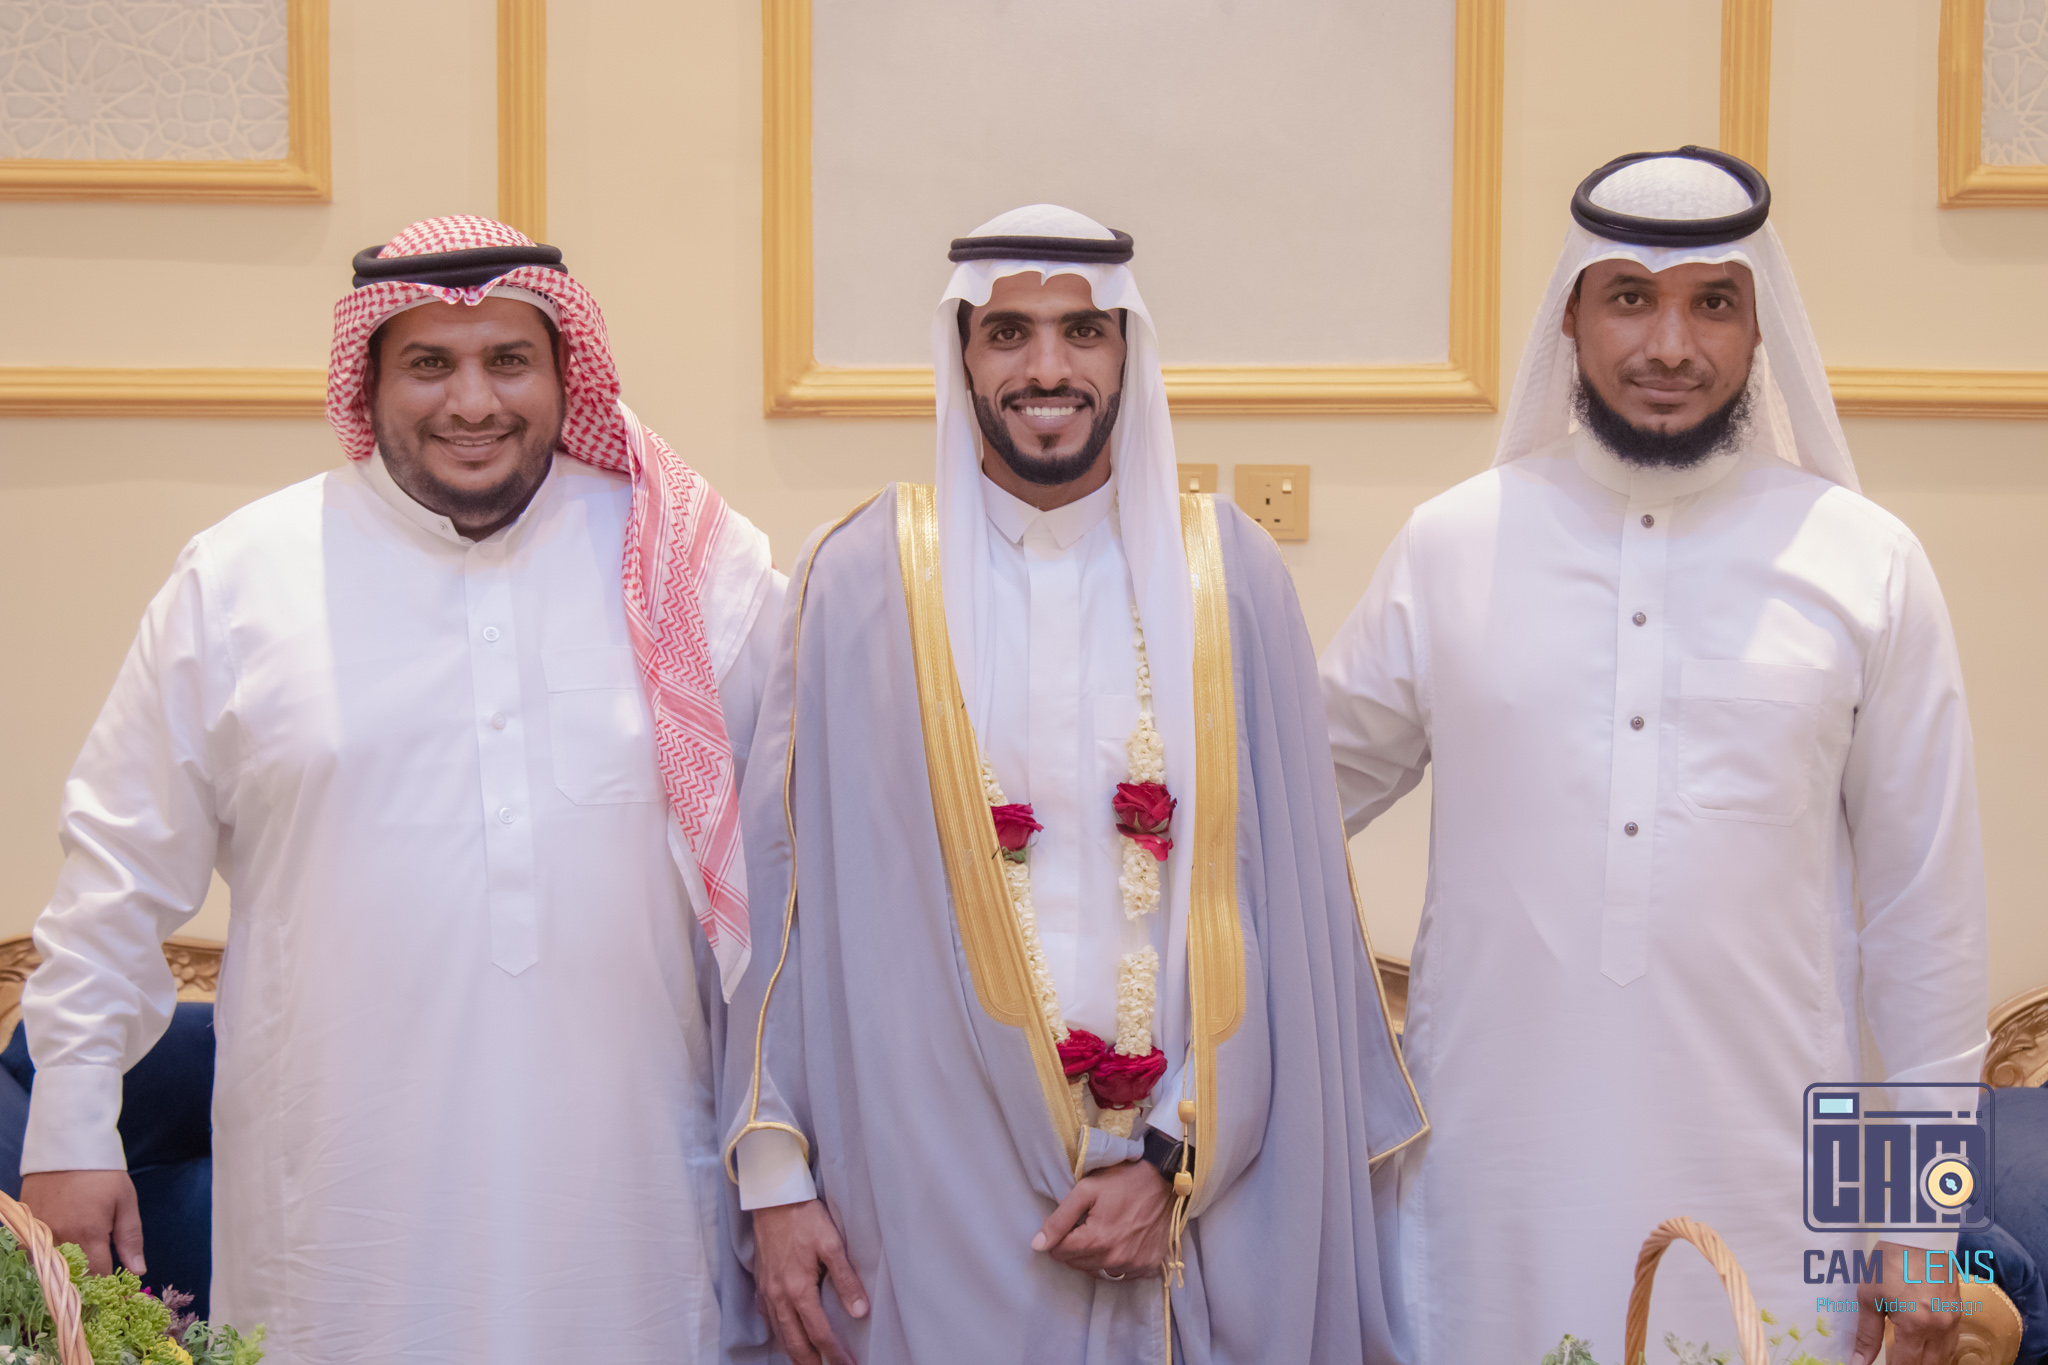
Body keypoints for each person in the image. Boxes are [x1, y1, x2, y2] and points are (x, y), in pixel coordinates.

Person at [17, 215, 783, 1362]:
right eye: (429, 363)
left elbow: (796, 869)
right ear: (368, 381)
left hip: (625, 1214)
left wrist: (785, 1162)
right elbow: (116, 872)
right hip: (340, 1221)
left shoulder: (682, 563)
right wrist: (71, 1128)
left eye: (508, 360)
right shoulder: (243, 577)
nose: (472, 401)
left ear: (565, 373)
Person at [717, 204, 1424, 1365]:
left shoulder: (1228, 576)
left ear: (1126, 352)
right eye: (1007, 333)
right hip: (924, 1184)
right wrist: (775, 1177)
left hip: (1189, 1196)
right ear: (961, 357)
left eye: (1082, 332)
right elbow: (781, 902)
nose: (1046, 368)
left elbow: (1285, 907)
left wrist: (1176, 1156)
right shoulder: (860, 581)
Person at [1320, 149, 1988, 1365]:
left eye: (1710, 302)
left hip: (1772, 1196)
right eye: (1628, 297)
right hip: (1490, 1192)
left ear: (1758, 324)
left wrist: (1917, 1221)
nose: (1668, 344)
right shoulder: (1450, 548)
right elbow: (1283, 810)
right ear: (1569, 317)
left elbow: (1920, 919)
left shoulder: (1862, 564)